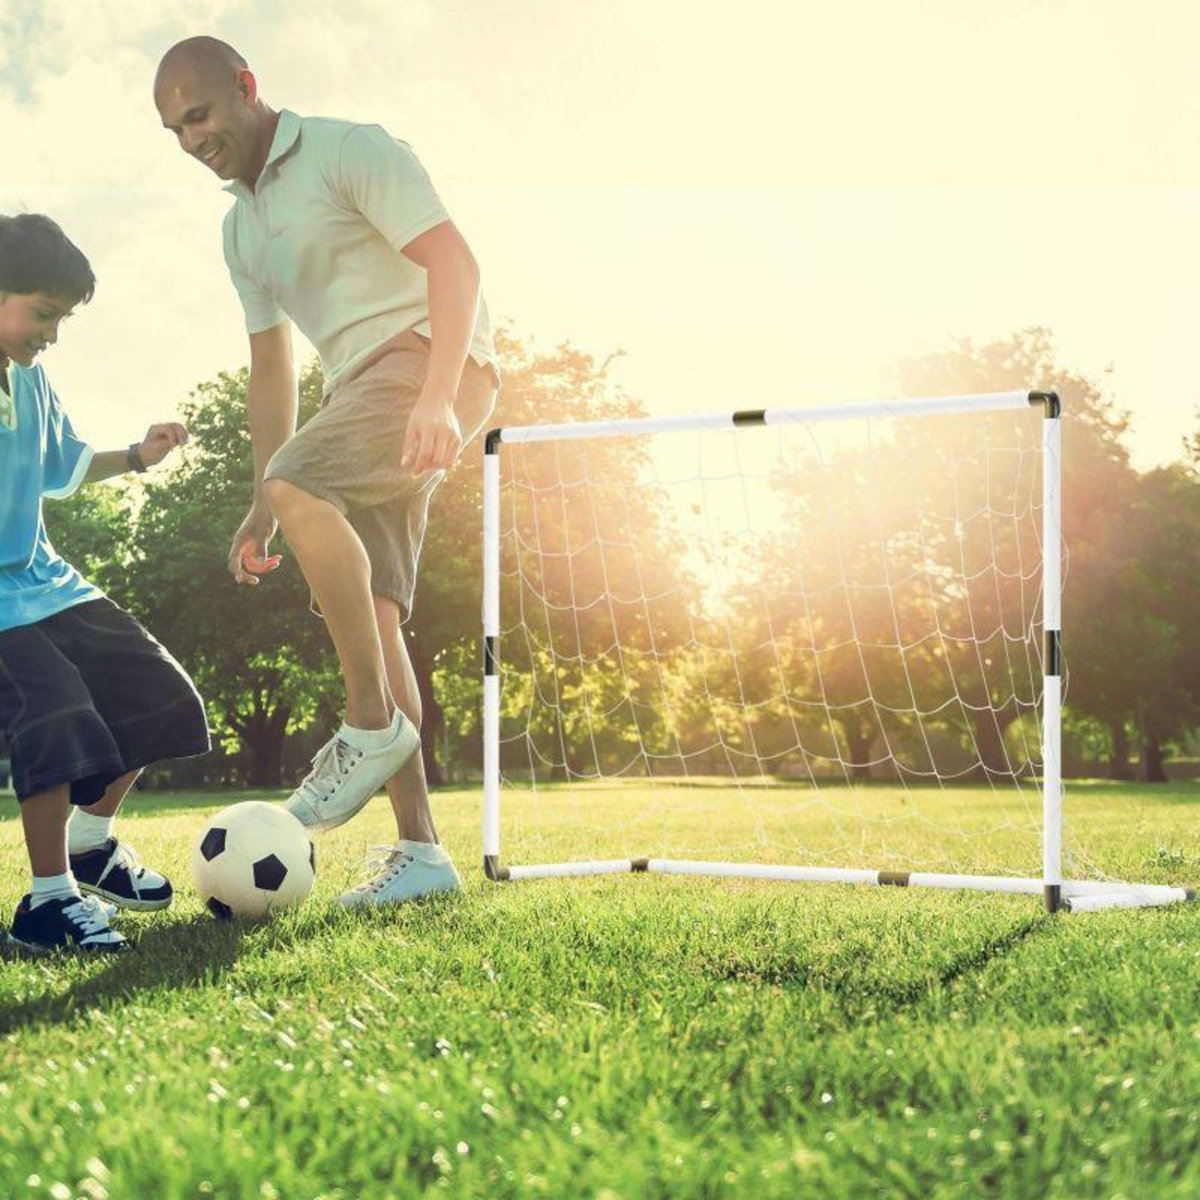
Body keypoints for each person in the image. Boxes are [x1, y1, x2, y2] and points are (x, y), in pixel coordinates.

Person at [153, 38, 498, 907]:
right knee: (377, 614)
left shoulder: (350, 149)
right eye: (174, 129)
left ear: (246, 89)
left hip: (427, 363)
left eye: (198, 115)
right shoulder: (241, 230)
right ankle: (422, 856)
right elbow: (274, 370)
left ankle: (370, 725)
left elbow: (455, 263)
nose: (192, 139)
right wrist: (261, 504)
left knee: (301, 484)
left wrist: (437, 394)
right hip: (359, 393)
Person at [0, 214, 210, 954]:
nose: (50, 334)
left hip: (44, 579)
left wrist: (139, 457)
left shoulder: (30, 380)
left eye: (60, 319)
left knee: (160, 694)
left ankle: (90, 845)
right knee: (55, 714)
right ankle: (48, 902)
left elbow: (65, 465)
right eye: (42, 314)